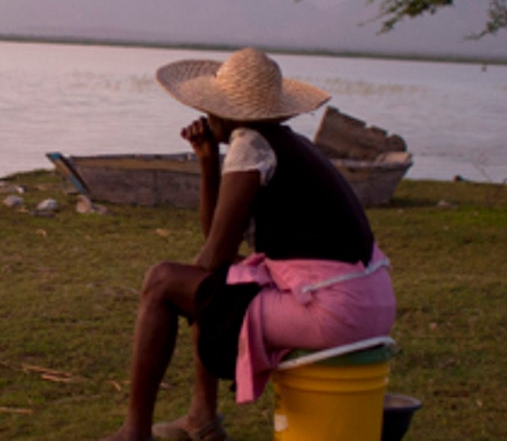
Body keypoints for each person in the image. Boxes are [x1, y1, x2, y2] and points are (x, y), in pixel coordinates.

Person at [103, 47, 396, 441]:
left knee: (162, 281)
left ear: (227, 111)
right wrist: (209, 163)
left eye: (211, 108)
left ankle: (134, 432)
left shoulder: (250, 145)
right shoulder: (288, 144)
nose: (206, 117)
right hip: (368, 299)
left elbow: (213, 256)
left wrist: (191, 282)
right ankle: (200, 417)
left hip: (333, 308)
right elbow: (218, 241)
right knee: (214, 282)